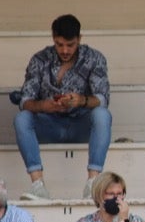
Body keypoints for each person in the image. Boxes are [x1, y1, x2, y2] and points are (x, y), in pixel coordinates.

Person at [14, 14, 112, 202]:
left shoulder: (94, 58)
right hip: (49, 124)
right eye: (59, 44)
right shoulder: (40, 59)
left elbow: (102, 99)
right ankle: (38, 186)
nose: (65, 50)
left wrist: (81, 100)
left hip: (81, 124)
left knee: (102, 115)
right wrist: (44, 105)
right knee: (22, 118)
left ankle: (93, 183)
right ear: (53, 39)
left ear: (80, 39)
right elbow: (25, 101)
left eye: (70, 44)